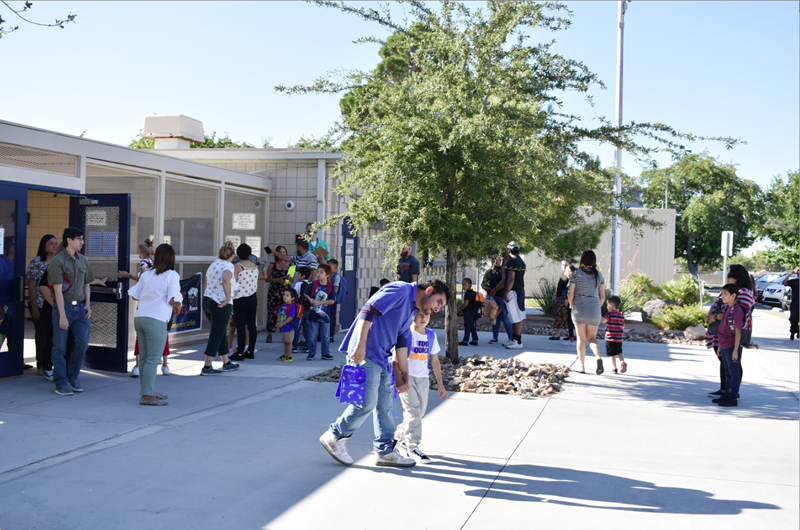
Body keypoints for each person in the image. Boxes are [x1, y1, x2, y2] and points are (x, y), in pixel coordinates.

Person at [319, 279, 450, 468]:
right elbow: (368, 309)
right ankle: (335, 435)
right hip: (366, 353)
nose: (438, 309)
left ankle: (385, 451)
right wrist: (360, 345)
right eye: (439, 302)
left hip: (382, 356)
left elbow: (402, 339)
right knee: (366, 402)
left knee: (386, 405)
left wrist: (403, 373)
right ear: (429, 290)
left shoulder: (412, 309)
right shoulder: (401, 290)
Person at [128, 244, 182, 406]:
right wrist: (178, 304)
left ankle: (148, 390)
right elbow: (174, 299)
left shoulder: (147, 274)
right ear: (171, 258)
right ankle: (147, 395)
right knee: (152, 359)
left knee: (144, 358)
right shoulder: (171, 275)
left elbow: (134, 296)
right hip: (156, 319)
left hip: (141, 318)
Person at [392, 311, 448, 464]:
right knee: (413, 413)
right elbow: (395, 359)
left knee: (418, 414)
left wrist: (440, 384)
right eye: (420, 314)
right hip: (407, 379)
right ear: (412, 316)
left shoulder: (431, 335)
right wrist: (399, 380)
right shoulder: (405, 334)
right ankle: (413, 447)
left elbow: (435, 361)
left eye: (427, 315)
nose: (424, 318)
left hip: (423, 380)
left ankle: (398, 438)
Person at [48, 227, 94, 396]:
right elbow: (57, 290)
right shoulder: (58, 261)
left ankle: (73, 376)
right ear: (69, 240)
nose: (82, 242)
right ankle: (60, 382)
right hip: (64, 307)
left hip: (80, 308)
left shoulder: (83, 260)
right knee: (59, 346)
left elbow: (87, 283)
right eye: (79, 239)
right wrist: (61, 315)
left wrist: (88, 304)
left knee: (82, 344)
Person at [122, 239, 171, 377]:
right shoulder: (160, 263)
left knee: (142, 336)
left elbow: (144, 279)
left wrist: (128, 275)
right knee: (163, 334)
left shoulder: (144, 263)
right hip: (161, 304)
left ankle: (138, 365)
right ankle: (165, 365)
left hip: (146, 303)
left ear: (141, 253)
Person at [706, 265, 753, 397]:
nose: (727, 277)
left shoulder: (742, 293)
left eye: (730, 275)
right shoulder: (731, 290)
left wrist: (713, 317)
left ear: (738, 277)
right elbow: (719, 305)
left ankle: (732, 393)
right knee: (725, 362)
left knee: (733, 364)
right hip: (722, 333)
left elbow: (733, 313)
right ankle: (724, 390)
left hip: (732, 334)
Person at [200, 241, 240, 376]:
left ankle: (226, 362)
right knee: (216, 334)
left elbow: (206, 282)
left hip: (208, 300)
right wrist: (228, 298)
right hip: (220, 303)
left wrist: (208, 295)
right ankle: (207, 365)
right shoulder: (229, 265)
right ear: (232, 255)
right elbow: (225, 280)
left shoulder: (214, 264)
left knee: (220, 331)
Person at [26, 234, 58, 380]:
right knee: (42, 335)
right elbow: (31, 286)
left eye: (56, 243)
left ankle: (53, 364)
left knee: (54, 336)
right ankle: (41, 365)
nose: (54, 246)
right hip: (40, 303)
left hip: (57, 304)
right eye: (51, 243)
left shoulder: (58, 261)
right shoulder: (37, 262)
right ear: (43, 245)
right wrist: (34, 307)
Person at [568, 250, 605, 375]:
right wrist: (597, 307)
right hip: (594, 309)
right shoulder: (599, 275)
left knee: (581, 338)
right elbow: (603, 296)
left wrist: (571, 304)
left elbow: (570, 293)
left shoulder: (576, 274)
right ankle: (598, 357)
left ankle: (582, 366)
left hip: (580, 308)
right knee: (592, 338)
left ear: (582, 260)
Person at [714, 284, 745, 407]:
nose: (723, 296)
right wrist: (720, 347)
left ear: (733, 295)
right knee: (727, 371)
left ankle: (732, 397)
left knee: (733, 372)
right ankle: (726, 395)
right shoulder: (728, 308)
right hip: (725, 345)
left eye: (725, 294)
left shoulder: (737, 310)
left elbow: (738, 331)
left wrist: (735, 350)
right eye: (722, 293)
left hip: (731, 345)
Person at [230, 244, 261, 361]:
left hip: (240, 298)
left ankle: (239, 352)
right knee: (252, 325)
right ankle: (250, 350)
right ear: (249, 254)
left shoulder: (237, 267)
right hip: (253, 297)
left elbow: (232, 282)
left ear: (238, 254)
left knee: (240, 326)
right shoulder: (254, 266)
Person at [304, 263, 335, 361]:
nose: (318, 274)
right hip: (314, 314)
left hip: (325, 316)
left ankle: (325, 353)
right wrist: (310, 300)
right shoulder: (314, 284)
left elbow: (332, 300)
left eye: (321, 272)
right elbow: (306, 293)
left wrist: (320, 302)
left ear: (327, 275)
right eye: (318, 271)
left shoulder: (330, 286)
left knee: (325, 335)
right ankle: (311, 353)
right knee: (312, 335)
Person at [482, 253, 513, 345]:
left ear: (500, 260)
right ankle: (495, 337)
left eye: (496, 259)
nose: (494, 261)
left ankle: (511, 337)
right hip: (491, 298)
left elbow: (503, 281)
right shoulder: (489, 271)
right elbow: (483, 283)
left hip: (499, 296)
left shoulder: (502, 270)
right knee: (494, 317)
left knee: (504, 316)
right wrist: (485, 287)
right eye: (493, 259)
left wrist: (495, 290)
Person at [503, 241, 526, 350]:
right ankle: (513, 338)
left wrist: (506, 292)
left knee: (516, 318)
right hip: (519, 291)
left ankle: (518, 341)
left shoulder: (512, 261)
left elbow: (511, 278)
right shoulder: (521, 261)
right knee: (514, 317)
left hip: (514, 291)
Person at [264, 245, 290, 343]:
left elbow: (292, 279)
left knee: (286, 313)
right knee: (272, 313)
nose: (282, 254)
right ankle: (270, 334)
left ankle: (285, 334)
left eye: (284, 252)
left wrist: (287, 280)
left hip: (286, 292)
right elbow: (267, 278)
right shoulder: (272, 265)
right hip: (274, 291)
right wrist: (276, 280)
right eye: (280, 252)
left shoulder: (290, 265)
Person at [550, 260, 576, 344]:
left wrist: (567, 299)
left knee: (564, 316)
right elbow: (560, 287)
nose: (563, 266)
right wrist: (555, 294)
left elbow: (570, 288)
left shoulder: (570, 276)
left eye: (566, 265)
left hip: (565, 298)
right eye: (562, 265)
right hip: (560, 297)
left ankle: (559, 334)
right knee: (563, 316)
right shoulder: (564, 274)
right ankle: (571, 334)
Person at [600, 295, 628, 374]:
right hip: (619, 338)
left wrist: (598, 315)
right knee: (619, 351)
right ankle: (622, 362)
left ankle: (614, 369)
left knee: (611, 354)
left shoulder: (609, 314)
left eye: (608, 304)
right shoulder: (621, 315)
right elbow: (623, 326)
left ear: (611, 305)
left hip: (610, 338)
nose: (607, 306)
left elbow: (603, 321)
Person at [292, 267, 312, 354]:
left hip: (300, 308)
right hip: (308, 308)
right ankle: (307, 346)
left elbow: (295, 295)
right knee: (307, 328)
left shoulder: (298, 284)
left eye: (299, 274)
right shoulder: (310, 284)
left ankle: (294, 346)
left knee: (297, 327)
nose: (297, 275)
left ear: (303, 275)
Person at [277, 288, 299, 362]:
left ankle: (289, 355)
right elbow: (280, 314)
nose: (285, 297)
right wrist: (279, 322)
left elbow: (291, 317)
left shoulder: (292, 306)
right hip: (284, 327)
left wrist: (282, 323)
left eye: (287, 295)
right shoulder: (283, 305)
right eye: (284, 295)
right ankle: (286, 354)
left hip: (289, 327)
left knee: (289, 341)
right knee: (285, 341)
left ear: (293, 298)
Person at [458, 278, 479, 346]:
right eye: (462, 285)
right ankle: (475, 340)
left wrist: (459, 308)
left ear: (470, 285)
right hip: (474, 312)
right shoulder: (473, 293)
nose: (463, 286)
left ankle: (465, 340)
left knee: (467, 326)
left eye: (465, 285)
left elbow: (466, 304)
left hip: (468, 312)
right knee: (472, 326)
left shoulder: (468, 293)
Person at [328, 258, 342, 342]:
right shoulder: (327, 274)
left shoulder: (336, 276)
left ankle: (331, 335)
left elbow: (335, 289)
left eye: (330, 267)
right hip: (325, 300)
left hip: (332, 300)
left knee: (332, 318)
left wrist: (329, 281)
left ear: (335, 267)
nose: (328, 268)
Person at [782, 269, 798, 340]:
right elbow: (784, 283)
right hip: (795, 304)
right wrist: (790, 274)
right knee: (794, 319)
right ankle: (793, 332)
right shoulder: (794, 281)